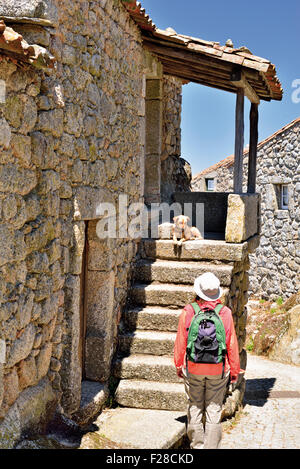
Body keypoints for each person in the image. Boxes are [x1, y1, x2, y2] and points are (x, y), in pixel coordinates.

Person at [174, 272, 241, 449]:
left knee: (195, 406)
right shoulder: (225, 313)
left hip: (193, 367)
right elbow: (231, 343)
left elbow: (181, 341)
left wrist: (179, 365)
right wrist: (234, 371)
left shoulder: (189, 311)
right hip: (218, 369)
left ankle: (197, 446)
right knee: (214, 410)